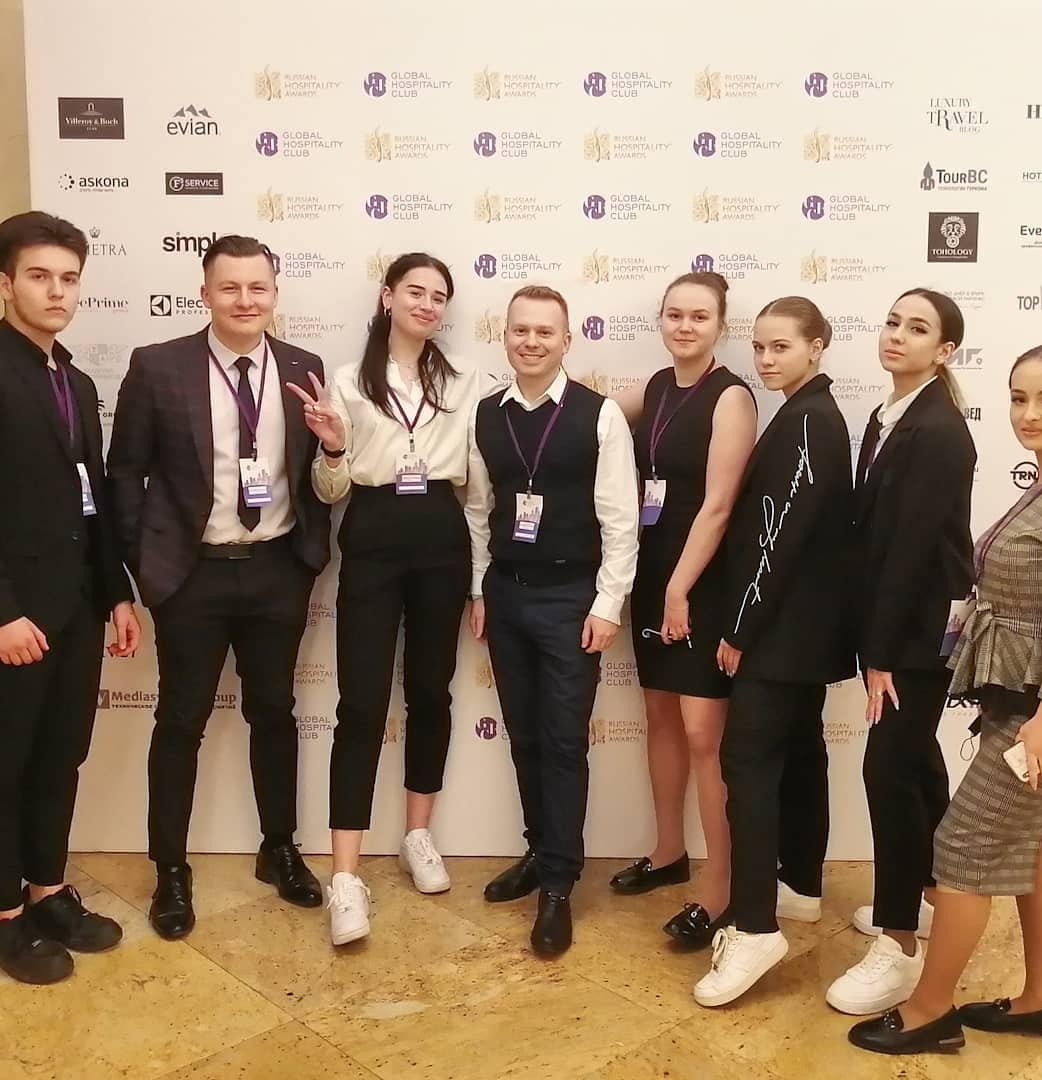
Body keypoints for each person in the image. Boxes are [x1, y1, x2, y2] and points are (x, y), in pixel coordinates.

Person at [851, 342, 1042, 1054]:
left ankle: (928, 1013)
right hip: (1018, 701)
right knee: (1032, 846)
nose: (1029, 413)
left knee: (961, 846)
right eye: (1019, 397)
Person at [107, 234, 331, 940]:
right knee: (180, 721)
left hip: (277, 569)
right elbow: (124, 472)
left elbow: (315, 472)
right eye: (229, 287)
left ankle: (279, 848)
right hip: (191, 575)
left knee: (275, 712)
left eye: (257, 287)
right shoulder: (158, 365)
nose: (244, 300)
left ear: (275, 293)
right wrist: (145, 565)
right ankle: (170, 870)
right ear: (204, 293)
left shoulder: (302, 366)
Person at [292, 253, 481, 946]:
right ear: (387, 296)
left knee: (431, 692)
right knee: (362, 702)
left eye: (439, 296)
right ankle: (345, 875)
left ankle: (417, 835)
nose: (427, 305)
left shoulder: (464, 381)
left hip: (441, 538)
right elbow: (330, 492)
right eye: (415, 292)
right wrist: (333, 449)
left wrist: (481, 579)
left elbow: (478, 489)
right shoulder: (346, 381)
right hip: (371, 535)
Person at [465, 284, 638, 956]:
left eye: (545, 332)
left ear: (567, 340)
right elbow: (479, 510)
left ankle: (560, 885)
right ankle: (539, 852)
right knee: (525, 738)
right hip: (506, 595)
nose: (531, 341)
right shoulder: (487, 414)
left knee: (564, 744)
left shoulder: (598, 415)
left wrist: (607, 604)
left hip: (572, 600)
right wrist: (480, 589)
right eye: (520, 330)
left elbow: (620, 520)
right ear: (504, 336)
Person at [694, 297, 855, 1006]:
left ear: (817, 346)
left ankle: (755, 927)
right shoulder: (802, 413)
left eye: (781, 346)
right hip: (797, 634)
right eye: (758, 346)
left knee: (749, 765)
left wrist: (739, 629)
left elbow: (778, 539)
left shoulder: (812, 420)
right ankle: (803, 886)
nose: (765, 359)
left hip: (782, 636)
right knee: (800, 754)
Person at [826, 288, 976, 1015]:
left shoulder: (939, 430)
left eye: (917, 329)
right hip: (893, 627)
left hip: (918, 632)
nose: (897, 335)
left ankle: (898, 944)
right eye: (892, 322)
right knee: (914, 762)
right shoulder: (890, 415)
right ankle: (930, 895)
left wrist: (881, 653)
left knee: (888, 770)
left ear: (944, 350)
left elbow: (913, 551)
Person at [0, 212, 139, 985]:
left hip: (77, 607)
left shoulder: (76, 382)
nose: (57, 291)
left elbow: (95, 501)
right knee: (6, 763)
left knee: (61, 756)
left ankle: (46, 889)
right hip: (14, 614)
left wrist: (116, 595)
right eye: (39, 276)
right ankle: (5, 915)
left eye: (68, 278)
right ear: (5, 284)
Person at [608, 272, 756, 949]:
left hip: (702, 583)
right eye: (675, 315)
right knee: (661, 716)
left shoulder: (732, 397)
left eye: (699, 316)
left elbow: (719, 507)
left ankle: (721, 885)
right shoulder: (656, 388)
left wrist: (679, 590)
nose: (685, 326)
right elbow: (590, 409)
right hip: (651, 573)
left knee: (703, 734)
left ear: (720, 325)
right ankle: (669, 852)